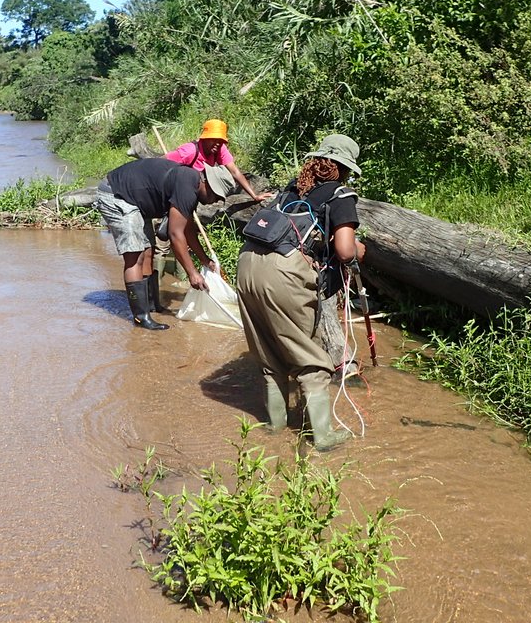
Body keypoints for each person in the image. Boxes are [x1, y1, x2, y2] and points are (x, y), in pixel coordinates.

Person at [235, 134, 367, 451]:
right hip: (284, 273)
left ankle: (275, 430)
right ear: (344, 168)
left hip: (247, 265)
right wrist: (361, 250)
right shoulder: (340, 194)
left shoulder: (293, 188)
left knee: (271, 356)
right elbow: (345, 251)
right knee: (312, 359)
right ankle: (323, 439)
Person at [95, 158, 236, 330]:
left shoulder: (191, 184)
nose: (215, 201)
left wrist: (204, 259)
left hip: (136, 199)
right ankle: (141, 318)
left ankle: (152, 304)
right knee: (135, 256)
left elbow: (188, 230)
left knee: (148, 252)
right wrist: (192, 273)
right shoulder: (187, 186)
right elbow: (175, 234)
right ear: (207, 184)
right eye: (215, 195)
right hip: (117, 195)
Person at [163, 119, 270, 202]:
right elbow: (160, 163)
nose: (217, 143)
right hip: (177, 185)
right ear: (204, 139)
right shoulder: (189, 151)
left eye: (220, 141)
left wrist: (255, 196)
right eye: (214, 139)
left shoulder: (219, 149)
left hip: (194, 187)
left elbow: (235, 172)